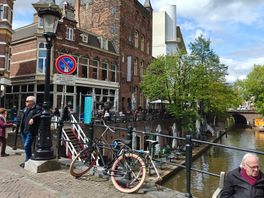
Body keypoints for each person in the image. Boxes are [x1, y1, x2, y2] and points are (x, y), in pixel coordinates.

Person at [19, 96, 42, 167]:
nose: (26, 102)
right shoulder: (25, 109)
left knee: (27, 145)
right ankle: (28, 160)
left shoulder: (37, 108)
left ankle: (28, 160)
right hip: (23, 130)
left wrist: (33, 118)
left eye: (28, 101)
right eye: (26, 101)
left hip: (31, 130)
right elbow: (21, 117)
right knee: (26, 147)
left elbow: (40, 114)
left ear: (33, 102)